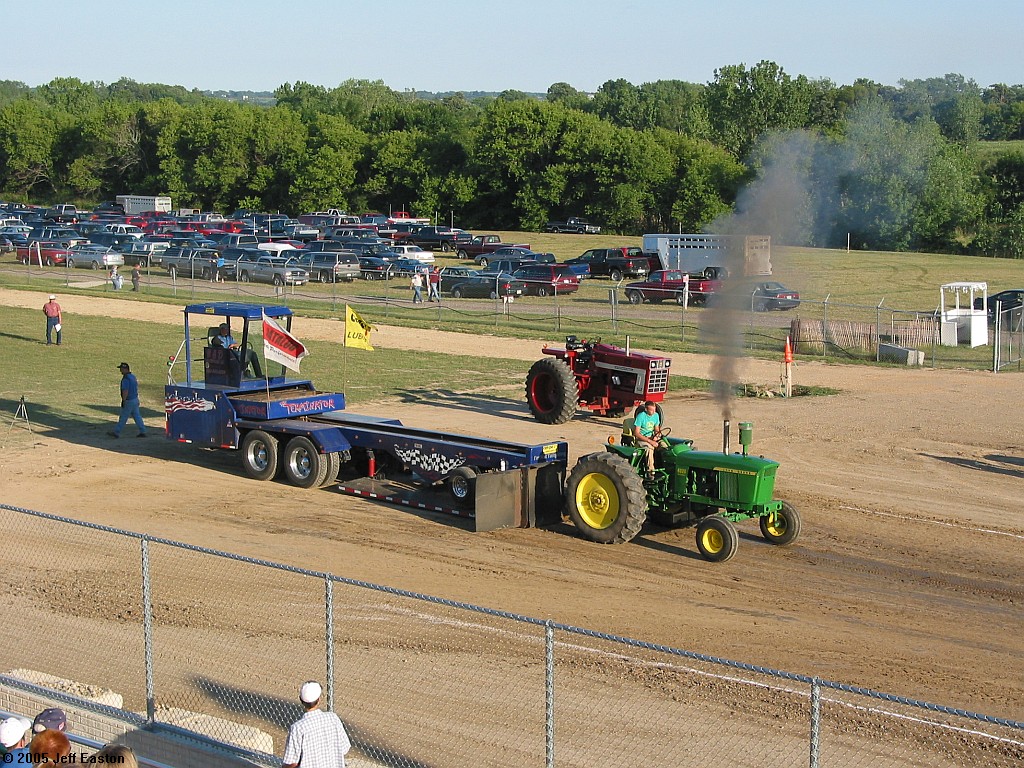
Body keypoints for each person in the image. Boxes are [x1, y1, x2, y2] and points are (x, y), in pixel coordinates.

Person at [282, 681, 351, 768]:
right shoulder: (333, 718)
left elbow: (291, 762)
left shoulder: (298, 728)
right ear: (318, 700)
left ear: (301, 700)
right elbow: (345, 748)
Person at [108, 362, 147, 439]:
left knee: (123, 417)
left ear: (125, 369)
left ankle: (116, 432)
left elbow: (125, 391)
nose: (120, 371)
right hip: (135, 399)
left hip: (129, 401)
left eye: (121, 369)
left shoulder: (126, 379)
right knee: (137, 416)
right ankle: (143, 431)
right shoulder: (133, 377)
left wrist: (123, 400)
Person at [632, 401, 665, 478]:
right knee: (649, 449)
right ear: (646, 409)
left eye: (654, 410)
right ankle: (651, 472)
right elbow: (636, 433)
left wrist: (656, 436)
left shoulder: (656, 415)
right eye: (651, 410)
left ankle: (664, 467)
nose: (653, 412)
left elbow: (657, 429)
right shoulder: (641, 416)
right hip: (642, 439)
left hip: (652, 437)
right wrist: (650, 441)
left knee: (665, 446)